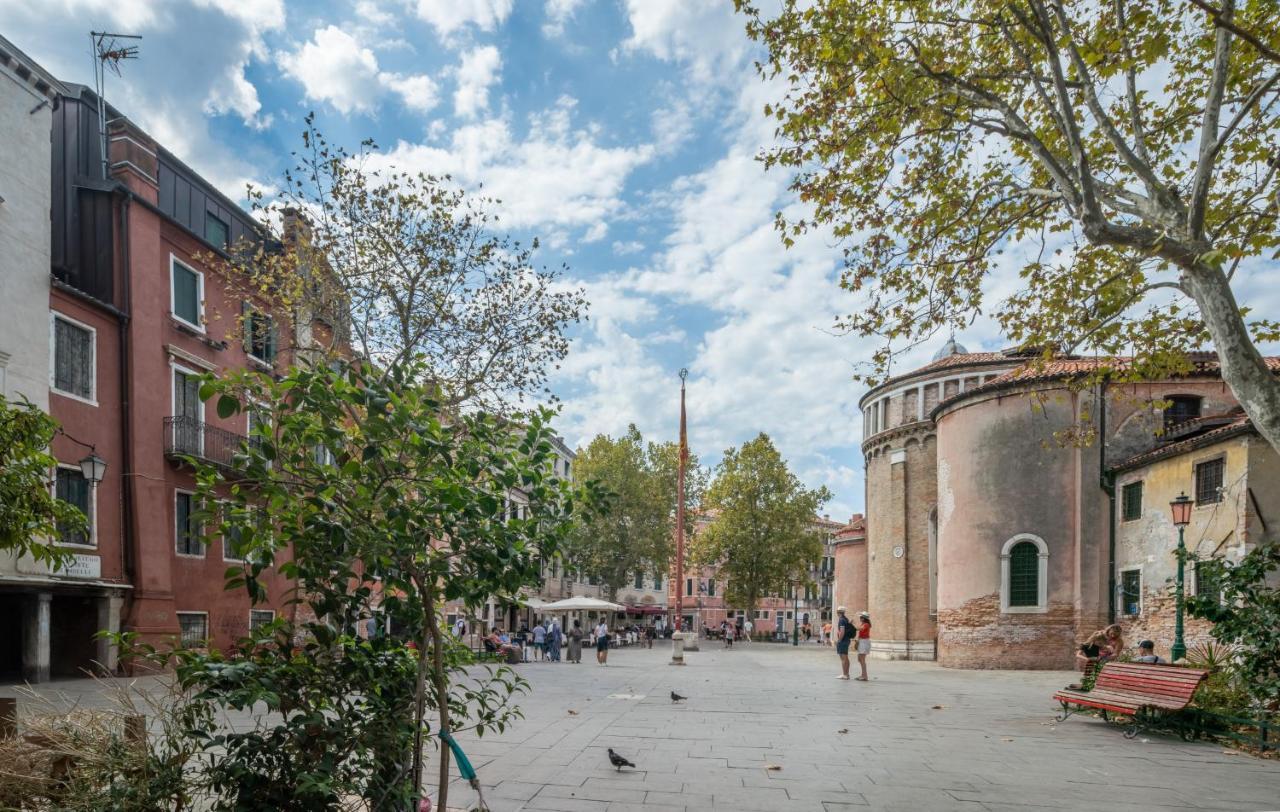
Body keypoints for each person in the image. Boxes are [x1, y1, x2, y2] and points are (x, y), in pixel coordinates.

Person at [834, 606, 853, 680]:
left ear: (838, 612)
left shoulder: (841, 620)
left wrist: (839, 640)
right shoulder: (846, 619)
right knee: (846, 658)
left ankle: (845, 674)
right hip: (847, 640)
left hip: (843, 641)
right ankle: (847, 674)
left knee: (843, 658)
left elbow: (842, 631)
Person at [855, 612, 872, 681]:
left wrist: (852, 624)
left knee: (862, 659)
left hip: (864, 642)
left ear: (864, 618)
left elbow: (859, 629)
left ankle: (865, 676)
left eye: (861, 617)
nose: (860, 618)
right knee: (859, 659)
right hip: (862, 641)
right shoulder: (863, 624)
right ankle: (863, 675)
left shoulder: (866, 624)